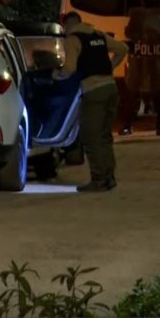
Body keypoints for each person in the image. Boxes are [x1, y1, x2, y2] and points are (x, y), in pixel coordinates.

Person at [57, 11, 128, 192]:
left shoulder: (73, 40)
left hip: (93, 92)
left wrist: (57, 75)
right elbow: (123, 49)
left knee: (91, 137)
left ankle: (98, 180)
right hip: (111, 89)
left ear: (68, 25)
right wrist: (109, 67)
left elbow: (70, 68)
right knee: (104, 136)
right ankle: (109, 178)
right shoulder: (98, 35)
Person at [121, 0, 160, 136]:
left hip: (157, 57)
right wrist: (139, 34)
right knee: (132, 91)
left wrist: (157, 36)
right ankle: (127, 124)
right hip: (139, 56)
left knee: (159, 92)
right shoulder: (137, 14)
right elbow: (129, 32)